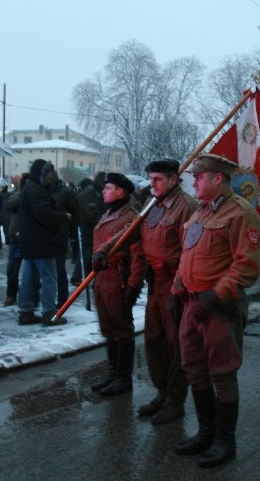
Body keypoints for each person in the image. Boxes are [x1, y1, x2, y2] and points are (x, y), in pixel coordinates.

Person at [171, 153, 260, 469]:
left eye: (199, 176)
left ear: (217, 178)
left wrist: (214, 297)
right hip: (192, 304)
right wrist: (176, 289)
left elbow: (247, 265)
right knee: (193, 367)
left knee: (221, 373)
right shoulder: (200, 213)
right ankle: (206, 432)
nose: (193, 181)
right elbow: (187, 257)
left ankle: (225, 441)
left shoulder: (240, 213)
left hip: (219, 308)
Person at [100, 159, 198, 423]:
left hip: (175, 285)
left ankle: (175, 400)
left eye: (157, 179)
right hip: (154, 283)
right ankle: (162, 393)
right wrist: (106, 249)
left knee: (175, 344)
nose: (151, 184)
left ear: (173, 179)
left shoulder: (186, 207)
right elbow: (130, 232)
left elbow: (190, 254)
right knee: (154, 341)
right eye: (150, 179)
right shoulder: (150, 204)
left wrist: (179, 290)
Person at [90, 173, 144, 396]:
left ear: (121, 191)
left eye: (108, 188)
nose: (103, 191)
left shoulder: (130, 217)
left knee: (122, 330)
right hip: (102, 279)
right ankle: (113, 373)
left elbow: (138, 255)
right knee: (109, 329)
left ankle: (124, 378)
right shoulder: (109, 213)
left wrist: (133, 286)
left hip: (118, 278)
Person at [17, 160, 71, 326]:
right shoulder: (37, 190)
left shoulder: (29, 188)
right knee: (49, 277)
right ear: (40, 173)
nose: (50, 176)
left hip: (30, 242)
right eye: (47, 173)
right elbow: (44, 214)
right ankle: (49, 312)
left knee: (28, 277)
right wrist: (63, 217)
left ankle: (26, 311)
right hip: (41, 242)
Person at [51, 175, 79, 307]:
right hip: (47, 234)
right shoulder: (42, 191)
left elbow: (75, 214)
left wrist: (73, 235)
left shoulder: (66, 193)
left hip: (60, 235)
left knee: (59, 268)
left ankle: (62, 299)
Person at [3, 174, 28, 306]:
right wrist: (21, 195)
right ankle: (11, 295)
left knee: (32, 272)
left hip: (30, 238)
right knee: (12, 269)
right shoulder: (18, 197)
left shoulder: (37, 196)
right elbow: (8, 205)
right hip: (16, 238)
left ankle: (30, 297)